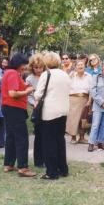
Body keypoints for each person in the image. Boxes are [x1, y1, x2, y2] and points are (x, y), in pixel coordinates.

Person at [34, 52, 71, 180]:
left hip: (50, 112)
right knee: (60, 140)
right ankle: (63, 168)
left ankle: (51, 172)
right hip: (63, 110)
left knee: (49, 142)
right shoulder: (65, 75)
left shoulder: (46, 74)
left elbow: (38, 94)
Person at [1, 53, 36, 177]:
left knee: (11, 136)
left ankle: (8, 164)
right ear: (18, 63)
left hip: (9, 108)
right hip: (14, 108)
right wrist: (27, 91)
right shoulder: (13, 73)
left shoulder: (10, 73)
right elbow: (13, 93)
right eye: (23, 65)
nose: (25, 67)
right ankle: (23, 167)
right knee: (22, 138)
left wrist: (26, 87)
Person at [26, 53, 46, 167]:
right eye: (36, 67)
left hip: (47, 107)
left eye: (40, 67)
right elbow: (28, 95)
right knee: (38, 134)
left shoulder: (46, 76)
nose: (38, 70)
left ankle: (46, 157)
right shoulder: (30, 78)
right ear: (32, 67)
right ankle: (38, 161)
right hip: (36, 108)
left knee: (46, 134)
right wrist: (34, 103)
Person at [66, 60, 93, 144]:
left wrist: (89, 100)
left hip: (85, 100)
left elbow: (92, 90)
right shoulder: (71, 75)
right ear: (75, 67)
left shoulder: (89, 76)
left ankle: (81, 137)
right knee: (73, 119)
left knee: (83, 119)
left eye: (82, 65)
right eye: (78, 65)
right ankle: (73, 137)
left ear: (85, 66)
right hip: (73, 100)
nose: (80, 66)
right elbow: (66, 87)